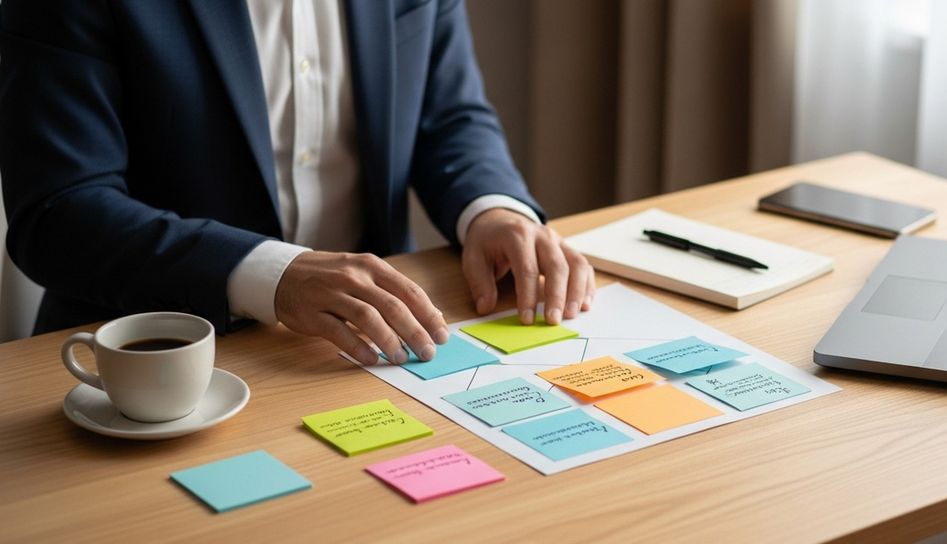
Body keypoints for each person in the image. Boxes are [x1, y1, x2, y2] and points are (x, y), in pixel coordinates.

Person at [0, 0, 594, 365]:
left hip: (370, 347)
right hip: (141, 359)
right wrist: (271, 275)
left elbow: (449, 116)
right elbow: (58, 210)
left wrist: (493, 211)